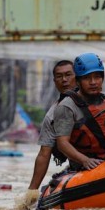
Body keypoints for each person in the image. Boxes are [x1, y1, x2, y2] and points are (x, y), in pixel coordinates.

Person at [26, 53, 105, 196]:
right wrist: (32, 191)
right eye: (87, 78)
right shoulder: (63, 109)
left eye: (97, 77)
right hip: (85, 163)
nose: (93, 82)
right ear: (79, 81)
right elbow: (52, 149)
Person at [24, 59, 77, 199]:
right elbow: (44, 153)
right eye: (59, 77)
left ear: (77, 76)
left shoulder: (99, 101)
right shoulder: (52, 115)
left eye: (68, 75)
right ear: (54, 81)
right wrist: (32, 191)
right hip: (80, 166)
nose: (64, 80)